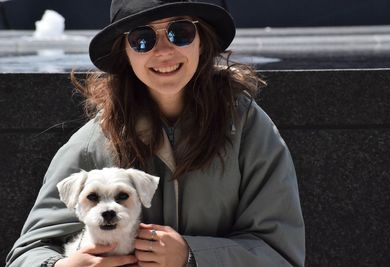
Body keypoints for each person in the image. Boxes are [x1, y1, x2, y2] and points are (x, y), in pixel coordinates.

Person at [6, 0, 305, 266]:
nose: (163, 51)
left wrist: (191, 256)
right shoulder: (91, 143)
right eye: (142, 39)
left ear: (202, 39)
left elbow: (281, 253)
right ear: (124, 51)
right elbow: (27, 253)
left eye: (180, 32)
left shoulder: (248, 128)